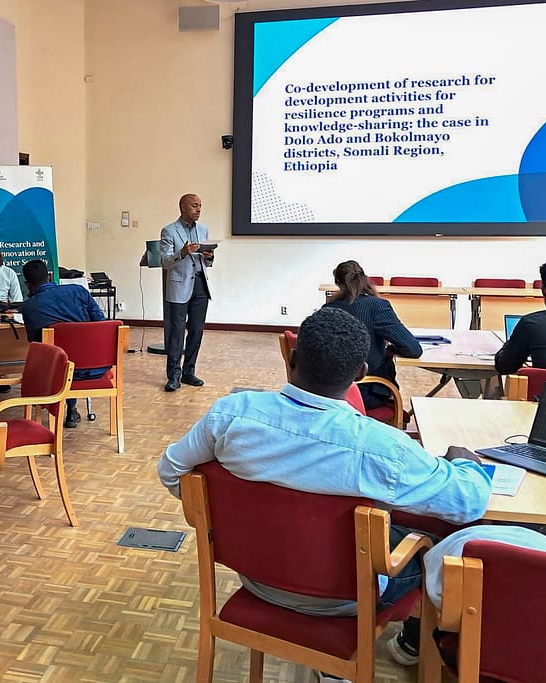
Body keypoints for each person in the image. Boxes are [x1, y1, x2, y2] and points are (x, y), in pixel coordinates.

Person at [157, 307, 492, 677]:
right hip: (348, 601)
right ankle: (413, 645)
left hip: (257, 578)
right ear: (361, 374)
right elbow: (469, 502)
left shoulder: (232, 415)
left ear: (293, 359)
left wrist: (217, 521)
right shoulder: (385, 448)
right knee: (439, 545)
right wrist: (465, 463)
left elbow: (171, 470)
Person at [21, 259, 108, 427]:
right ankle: (71, 410)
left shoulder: (30, 307)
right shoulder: (78, 291)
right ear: (49, 276)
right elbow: (101, 324)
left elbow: (35, 342)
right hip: (97, 367)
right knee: (70, 357)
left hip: (59, 372)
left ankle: (65, 408)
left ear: (27, 284)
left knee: (59, 358)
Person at [323, 260, 421, 409]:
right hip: (365, 393)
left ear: (338, 283)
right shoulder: (377, 306)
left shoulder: (327, 309)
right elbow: (413, 349)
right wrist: (392, 350)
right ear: (364, 279)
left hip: (328, 393)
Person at [160, 193, 214, 392]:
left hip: (200, 284)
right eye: (194, 206)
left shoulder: (203, 229)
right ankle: (173, 376)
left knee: (196, 331)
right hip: (179, 285)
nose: (198, 209)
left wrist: (209, 256)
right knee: (176, 332)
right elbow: (164, 261)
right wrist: (182, 252)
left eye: (200, 206)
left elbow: (206, 261)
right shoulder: (169, 231)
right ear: (183, 207)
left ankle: (189, 372)